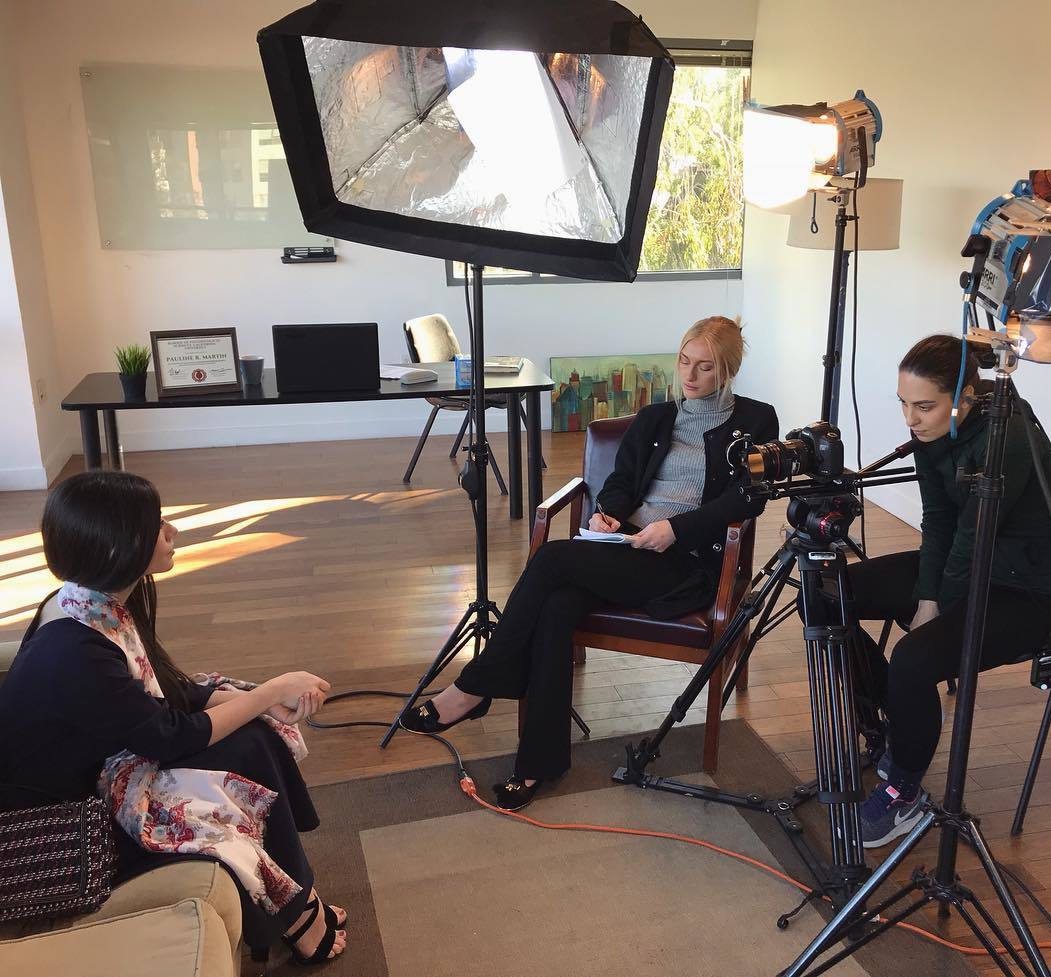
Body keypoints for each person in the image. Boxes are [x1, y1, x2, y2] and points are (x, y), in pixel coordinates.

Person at [400, 315, 780, 810]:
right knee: (556, 606)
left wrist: (675, 530)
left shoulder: (757, 421)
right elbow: (621, 481)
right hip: (628, 548)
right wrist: (609, 513)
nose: (689, 375)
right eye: (685, 361)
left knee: (552, 559)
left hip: (685, 564)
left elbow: (748, 498)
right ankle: (538, 764)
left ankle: (476, 686)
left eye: (705, 367)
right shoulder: (656, 417)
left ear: (727, 371)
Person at [0, 471, 348, 965]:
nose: (173, 530)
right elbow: (168, 737)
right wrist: (269, 691)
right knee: (244, 743)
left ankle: (293, 900)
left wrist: (246, 699)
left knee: (254, 731)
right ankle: (296, 914)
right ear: (119, 547)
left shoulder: (88, 603)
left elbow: (157, 690)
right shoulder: (75, 648)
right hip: (66, 820)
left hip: (105, 762)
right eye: (158, 524)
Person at [849, 334, 1051, 848]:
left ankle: (904, 790)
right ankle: (892, 726)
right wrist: (928, 598)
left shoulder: (1007, 438)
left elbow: (971, 540)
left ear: (965, 396)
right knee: (828, 593)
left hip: (1023, 590)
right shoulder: (934, 431)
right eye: (903, 403)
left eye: (924, 406)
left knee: (912, 659)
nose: (910, 419)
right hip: (964, 563)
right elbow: (939, 521)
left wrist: (934, 607)